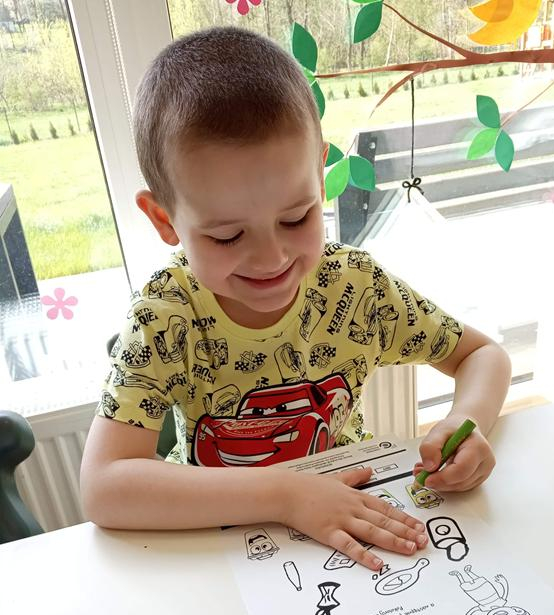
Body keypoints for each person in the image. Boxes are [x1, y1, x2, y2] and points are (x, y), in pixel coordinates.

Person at [80, 27, 511, 571]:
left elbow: (483, 354)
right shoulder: (166, 315)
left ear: (320, 177)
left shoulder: (354, 287)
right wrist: (285, 495)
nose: (271, 259)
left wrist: (467, 421)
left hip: (357, 516)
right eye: (227, 236)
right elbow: (103, 487)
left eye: (296, 218)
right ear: (165, 220)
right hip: (225, 547)